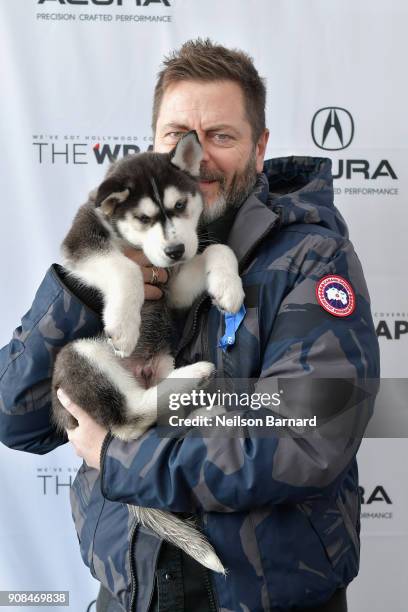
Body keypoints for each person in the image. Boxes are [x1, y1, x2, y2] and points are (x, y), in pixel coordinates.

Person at [0, 39, 380, 612]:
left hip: (265, 597)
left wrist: (120, 456)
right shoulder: (121, 243)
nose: (196, 158)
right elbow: (19, 418)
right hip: (129, 591)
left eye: (221, 137)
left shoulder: (310, 259)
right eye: (176, 136)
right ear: (155, 146)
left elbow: (305, 431)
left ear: (260, 147)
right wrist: (83, 289)